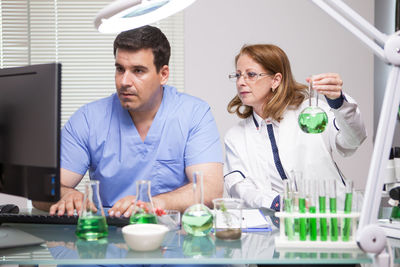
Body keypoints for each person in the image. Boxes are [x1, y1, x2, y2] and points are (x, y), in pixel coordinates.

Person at [35, 25, 223, 217]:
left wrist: (151, 204)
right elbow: (41, 190)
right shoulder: (89, 119)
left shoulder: (193, 114)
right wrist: (66, 194)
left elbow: (210, 190)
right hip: (108, 236)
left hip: (174, 238)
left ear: (163, 74)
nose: (124, 81)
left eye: (138, 70)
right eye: (120, 69)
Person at [223, 44, 366, 210]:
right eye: (238, 75)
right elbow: (240, 187)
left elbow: (352, 141)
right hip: (282, 228)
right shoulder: (236, 136)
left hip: (336, 221)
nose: (241, 82)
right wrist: (278, 201)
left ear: (275, 80)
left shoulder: (310, 114)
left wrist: (338, 102)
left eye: (251, 75)